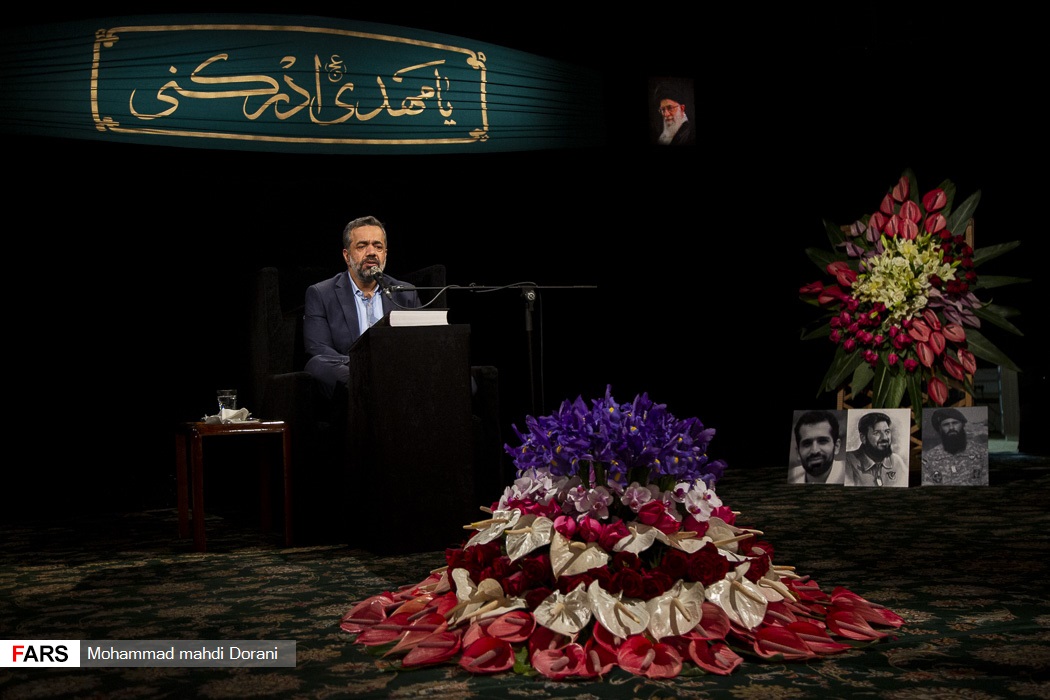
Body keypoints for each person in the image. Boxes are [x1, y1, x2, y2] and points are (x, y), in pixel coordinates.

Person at [303, 215, 422, 399]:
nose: (371, 252)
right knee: (316, 364)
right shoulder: (321, 293)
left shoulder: (405, 293)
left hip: (397, 371)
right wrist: (365, 365)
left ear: (385, 254)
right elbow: (318, 348)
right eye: (362, 246)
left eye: (378, 246)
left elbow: (421, 344)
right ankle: (375, 390)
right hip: (351, 375)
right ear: (347, 256)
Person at [922, 407, 989, 485]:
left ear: (963, 425)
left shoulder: (981, 453)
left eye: (955, 423)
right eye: (946, 424)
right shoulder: (930, 458)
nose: (951, 428)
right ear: (940, 429)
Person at [844, 411, 909, 487]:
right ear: (863, 438)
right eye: (877, 433)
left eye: (887, 432)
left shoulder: (897, 461)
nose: (884, 437)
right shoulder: (848, 461)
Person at [788, 410, 845, 484]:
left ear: (836, 446)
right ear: (798, 452)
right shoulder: (791, 477)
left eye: (822, 441)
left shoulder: (851, 476)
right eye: (807, 444)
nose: (814, 450)